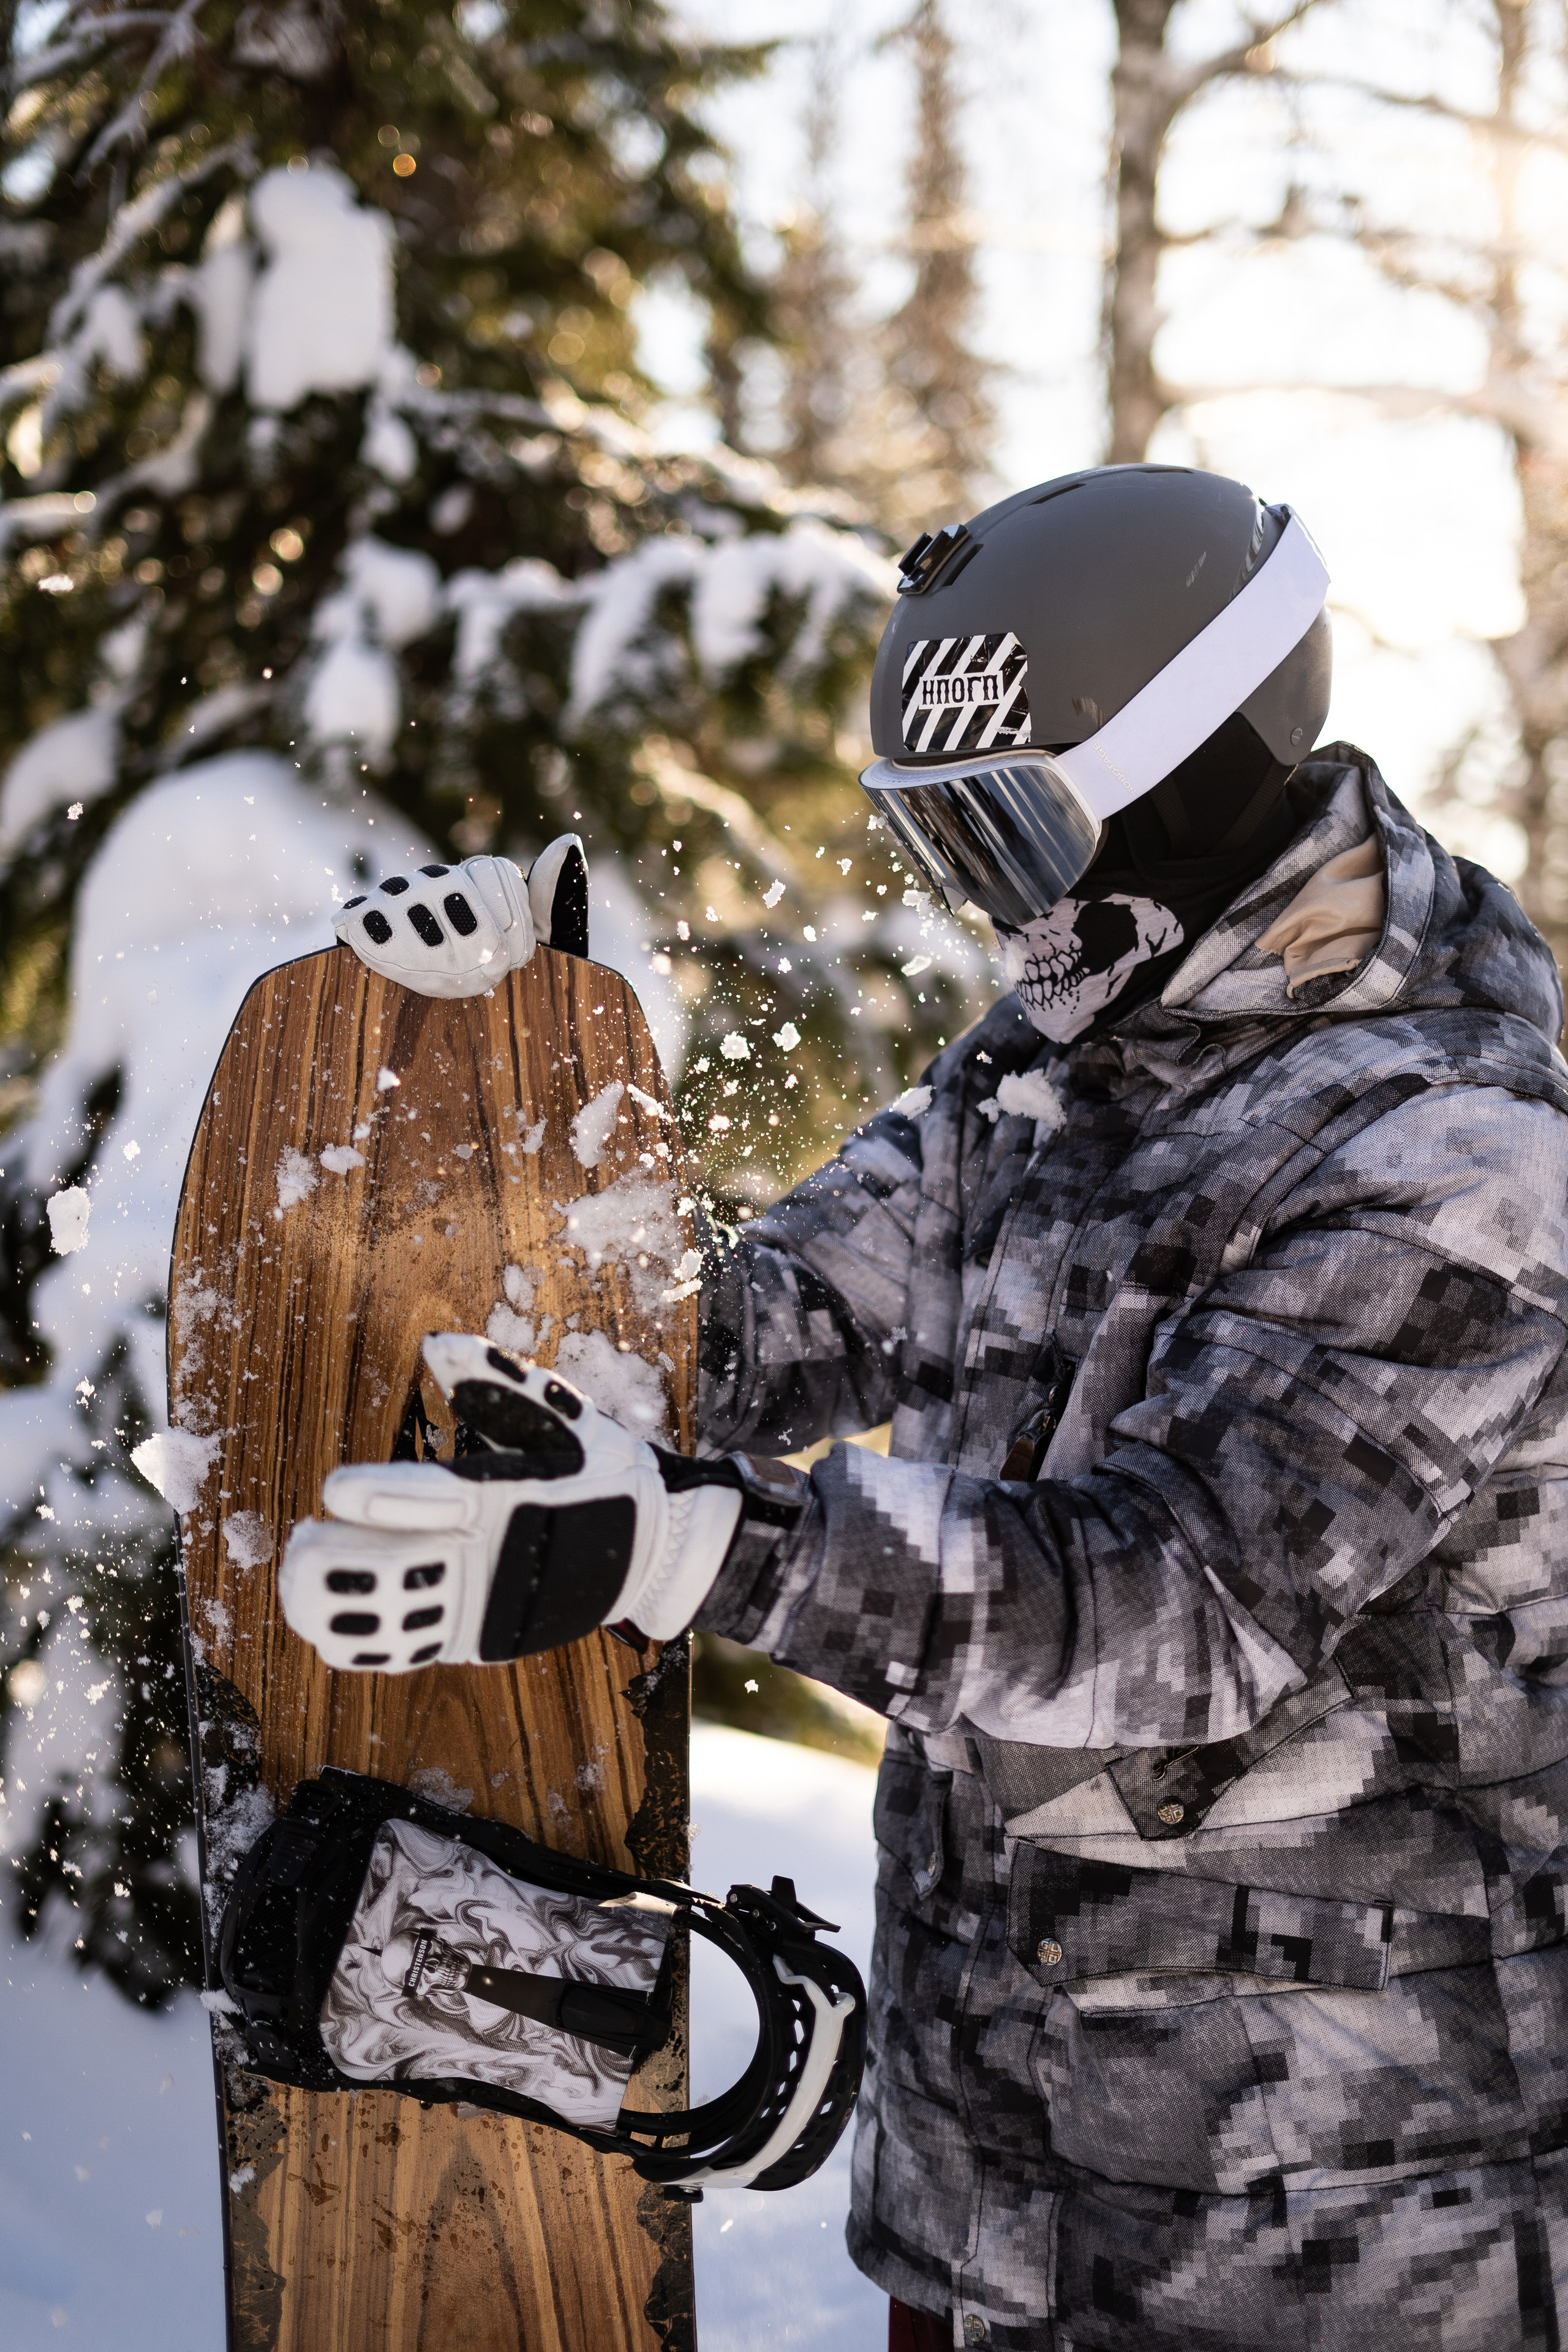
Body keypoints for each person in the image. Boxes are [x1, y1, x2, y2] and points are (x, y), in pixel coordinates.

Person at [296, 464, 1568, 2350]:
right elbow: (741, 1338)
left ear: (1191, 765)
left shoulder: (1457, 1154)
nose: (1001, 918)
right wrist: (516, 1081)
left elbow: (1176, 1613)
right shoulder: (1042, 1076)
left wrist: (697, 1546)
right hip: (991, 2216)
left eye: (1018, 835)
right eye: (953, 849)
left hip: (1334, 2255)